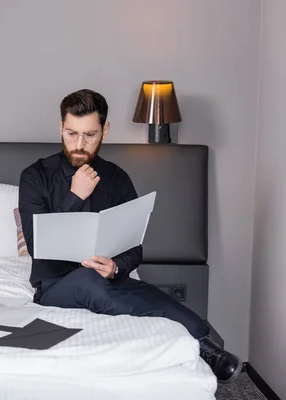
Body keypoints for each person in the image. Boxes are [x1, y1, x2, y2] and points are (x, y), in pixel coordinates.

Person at [17, 88, 242, 384]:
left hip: (111, 279)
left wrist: (116, 267)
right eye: (71, 134)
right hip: (54, 285)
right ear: (61, 127)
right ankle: (195, 343)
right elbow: (37, 246)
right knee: (87, 280)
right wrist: (74, 195)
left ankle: (202, 341)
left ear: (105, 130)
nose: (79, 145)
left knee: (153, 295)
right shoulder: (35, 176)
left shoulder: (117, 178)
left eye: (90, 135)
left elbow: (135, 248)